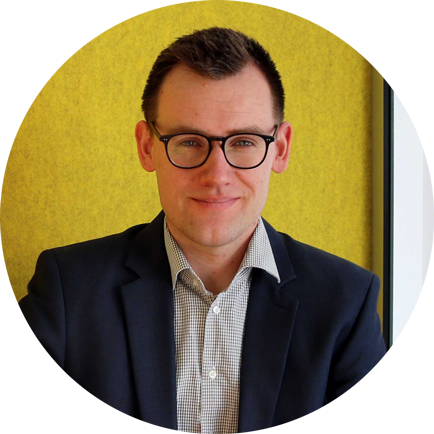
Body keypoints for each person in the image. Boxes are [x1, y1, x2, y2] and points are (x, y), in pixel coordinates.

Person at [0, 27, 395, 434]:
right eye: (189, 142)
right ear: (147, 146)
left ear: (280, 149)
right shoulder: (70, 288)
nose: (217, 175)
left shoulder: (345, 303)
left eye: (244, 142)